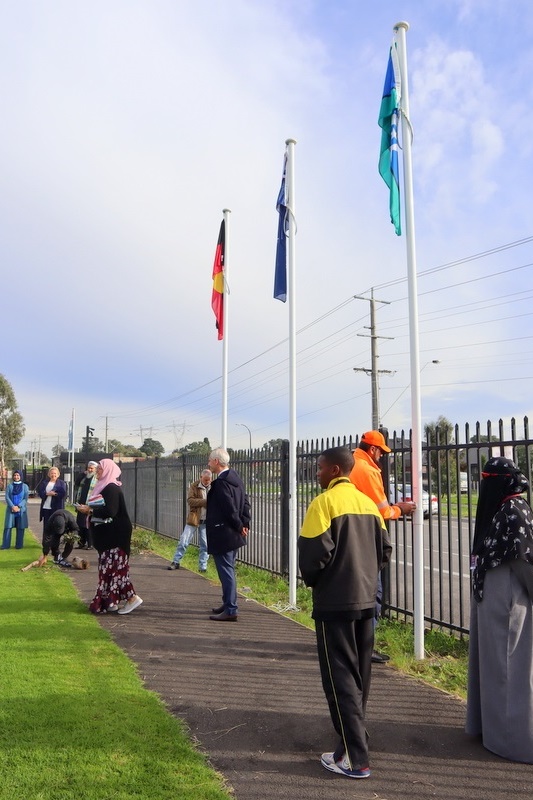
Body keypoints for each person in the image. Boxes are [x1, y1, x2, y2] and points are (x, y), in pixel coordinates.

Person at [298, 447, 391, 779]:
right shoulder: (368, 504)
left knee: (339, 680)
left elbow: (311, 558)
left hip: (335, 603)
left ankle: (356, 758)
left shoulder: (324, 503)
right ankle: (351, 743)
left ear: (335, 470)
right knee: (359, 677)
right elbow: (385, 551)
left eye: (320, 468)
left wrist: (321, 582)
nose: (317, 473)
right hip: (366, 603)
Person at [466, 456, 533, 763]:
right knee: (508, 670)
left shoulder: (506, 507)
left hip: (494, 595)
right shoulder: (514, 508)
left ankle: (492, 731)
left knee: (498, 669)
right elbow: (524, 563)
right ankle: (511, 742)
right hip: (507, 598)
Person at [349, 430, 416, 664]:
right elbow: (382, 510)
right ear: (374, 450)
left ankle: (352, 645)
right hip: (368, 535)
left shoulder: (349, 462)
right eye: (381, 452)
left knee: (355, 593)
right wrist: (401, 509)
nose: (382, 458)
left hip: (350, 534)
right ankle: (364, 649)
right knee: (372, 594)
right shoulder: (367, 470)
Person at [77, 459, 142, 615]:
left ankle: (131, 598)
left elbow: (111, 511)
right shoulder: (102, 487)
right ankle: (110, 601)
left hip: (115, 537)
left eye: (100, 469)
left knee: (116, 570)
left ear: (107, 471)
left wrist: (89, 511)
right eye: (97, 469)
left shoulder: (111, 488)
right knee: (108, 570)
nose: (97, 471)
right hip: (107, 537)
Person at [206, 448, 250, 621]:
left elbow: (228, 509)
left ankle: (231, 609)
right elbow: (245, 502)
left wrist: (240, 525)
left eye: (210, 460)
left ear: (216, 461)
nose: (208, 463)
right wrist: (245, 523)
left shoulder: (221, 484)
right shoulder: (236, 479)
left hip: (223, 533)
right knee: (228, 570)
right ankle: (227, 603)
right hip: (234, 534)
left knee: (226, 572)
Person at [167, 469, 212, 572]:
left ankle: (202, 567)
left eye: (208, 480)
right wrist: (205, 502)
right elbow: (190, 501)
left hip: (207, 521)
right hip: (194, 518)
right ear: (201, 478)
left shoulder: (213, 487)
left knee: (205, 545)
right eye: (205, 480)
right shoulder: (194, 486)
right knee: (184, 540)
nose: (206, 482)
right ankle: (176, 561)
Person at [2, 470, 30, 549]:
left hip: (21, 510)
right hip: (11, 510)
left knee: (20, 527)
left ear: (20, 476)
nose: (16, 477)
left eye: (18, 475)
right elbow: (7, 497)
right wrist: (12, 507)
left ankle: (19, 545)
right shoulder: (9, 486)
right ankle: (5, 545)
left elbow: (25, 498)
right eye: (15, 475)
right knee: (8, 527)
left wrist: (19, 506)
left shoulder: (25, 486)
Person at [74, 461, 98, 549]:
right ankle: (81, 542)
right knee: (80, 524)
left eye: (92, 468)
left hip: (90, 504)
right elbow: (76, 483)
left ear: (95, 469)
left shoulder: (96, 479)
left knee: (88, 524)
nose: (90, 470)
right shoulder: (84, 477)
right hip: (81, 502)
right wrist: (82, 475)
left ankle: (90, 543)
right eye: (89, 468)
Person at [37, 466, 67, 533]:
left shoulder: (62, 483)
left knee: (56, 525)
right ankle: (46, 542)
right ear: (49, 474)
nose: (53, 475)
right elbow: (41, 493)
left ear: (58, 474)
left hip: (57, 508)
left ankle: (55, 542)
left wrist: (55, 494)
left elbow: (63, 494)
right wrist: (47, 494)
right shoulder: (44, 483)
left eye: (55, 473)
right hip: (46, 507)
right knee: (47, 526)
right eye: (52, 473)